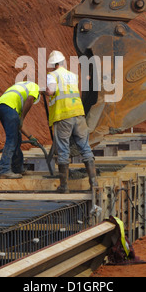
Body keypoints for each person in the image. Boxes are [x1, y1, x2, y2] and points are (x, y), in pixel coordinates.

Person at [45, 50, 98, 193]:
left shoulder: (52, 75)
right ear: (63, 62)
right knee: (85, 147)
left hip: (63, 116)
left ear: (52, 65)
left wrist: (44, 91)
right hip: (78, 114)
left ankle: (64, 186)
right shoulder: (73, 76)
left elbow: (51, 91)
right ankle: (94, 183)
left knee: (63, 150)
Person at [0, 81, 40, 179]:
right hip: (9, 107)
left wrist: (31, 137)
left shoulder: (21, 87)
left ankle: (17, 168)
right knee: (12, 139)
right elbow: (30, 99)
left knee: (17, 137)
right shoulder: (35, 87)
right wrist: (23, 117)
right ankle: (4, 169)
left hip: (1, 106)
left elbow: (20, 125)